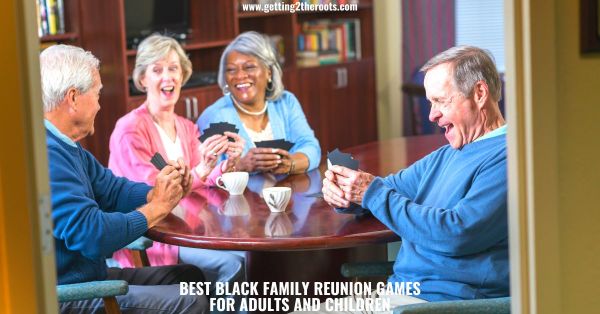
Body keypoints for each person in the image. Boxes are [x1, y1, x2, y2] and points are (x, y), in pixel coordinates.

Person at [321, 46, 508, 311]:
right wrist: (347, 195)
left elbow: (457, 233)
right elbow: (386, 189)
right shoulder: (446, 155)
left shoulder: (508, 158)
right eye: (430, 103)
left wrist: (370, 193)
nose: (432, 115)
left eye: (441, 101)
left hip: (444, 305)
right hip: (401, 297)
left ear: (479, 94)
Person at [41, 44, 208, 313]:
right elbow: (93, 234)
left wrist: (157, 192)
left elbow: (112, 190)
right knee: (191, 300)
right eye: (97, 94)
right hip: (68, 295)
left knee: (190, 278)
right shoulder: (47, 155)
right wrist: (157, 208)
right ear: (73, 98)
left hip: (93, 278)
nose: (98, 105)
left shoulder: (66, 147)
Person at [107, 34, 246, 303]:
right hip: (155, 238)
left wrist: (227, 163)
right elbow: (152, 191)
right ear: (142, 79)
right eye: (157, 70)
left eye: (173, 68)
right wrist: (202, 171)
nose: (167, 77)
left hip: (190, 231)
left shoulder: (185, 127)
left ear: (183, 75)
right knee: (234, 264)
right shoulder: (129, 129)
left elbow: (202, 178)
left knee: (248, 258)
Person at [197, 31, 321, 175]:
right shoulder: (213, 116)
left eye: (249, 67)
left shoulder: (286, 102)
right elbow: (205, 176)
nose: (240, 76)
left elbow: (311, 148)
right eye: (231, 70)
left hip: (289, 193)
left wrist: (290, 164)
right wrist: (241, 166)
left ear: (269, 72)